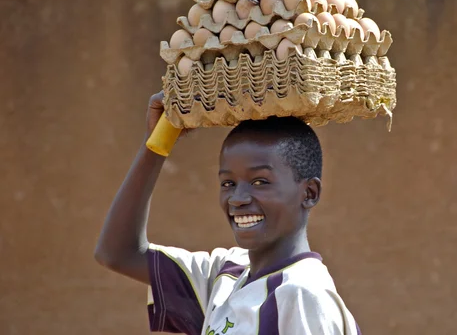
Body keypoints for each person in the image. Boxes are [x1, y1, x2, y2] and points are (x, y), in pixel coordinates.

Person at [94, 91, 361, 335]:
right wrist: (157, 142)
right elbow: (118, 253)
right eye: (228, 183)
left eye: (260, 182)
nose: (238, 198)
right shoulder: (226, 274)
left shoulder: (300, 295)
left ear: (309, 193)